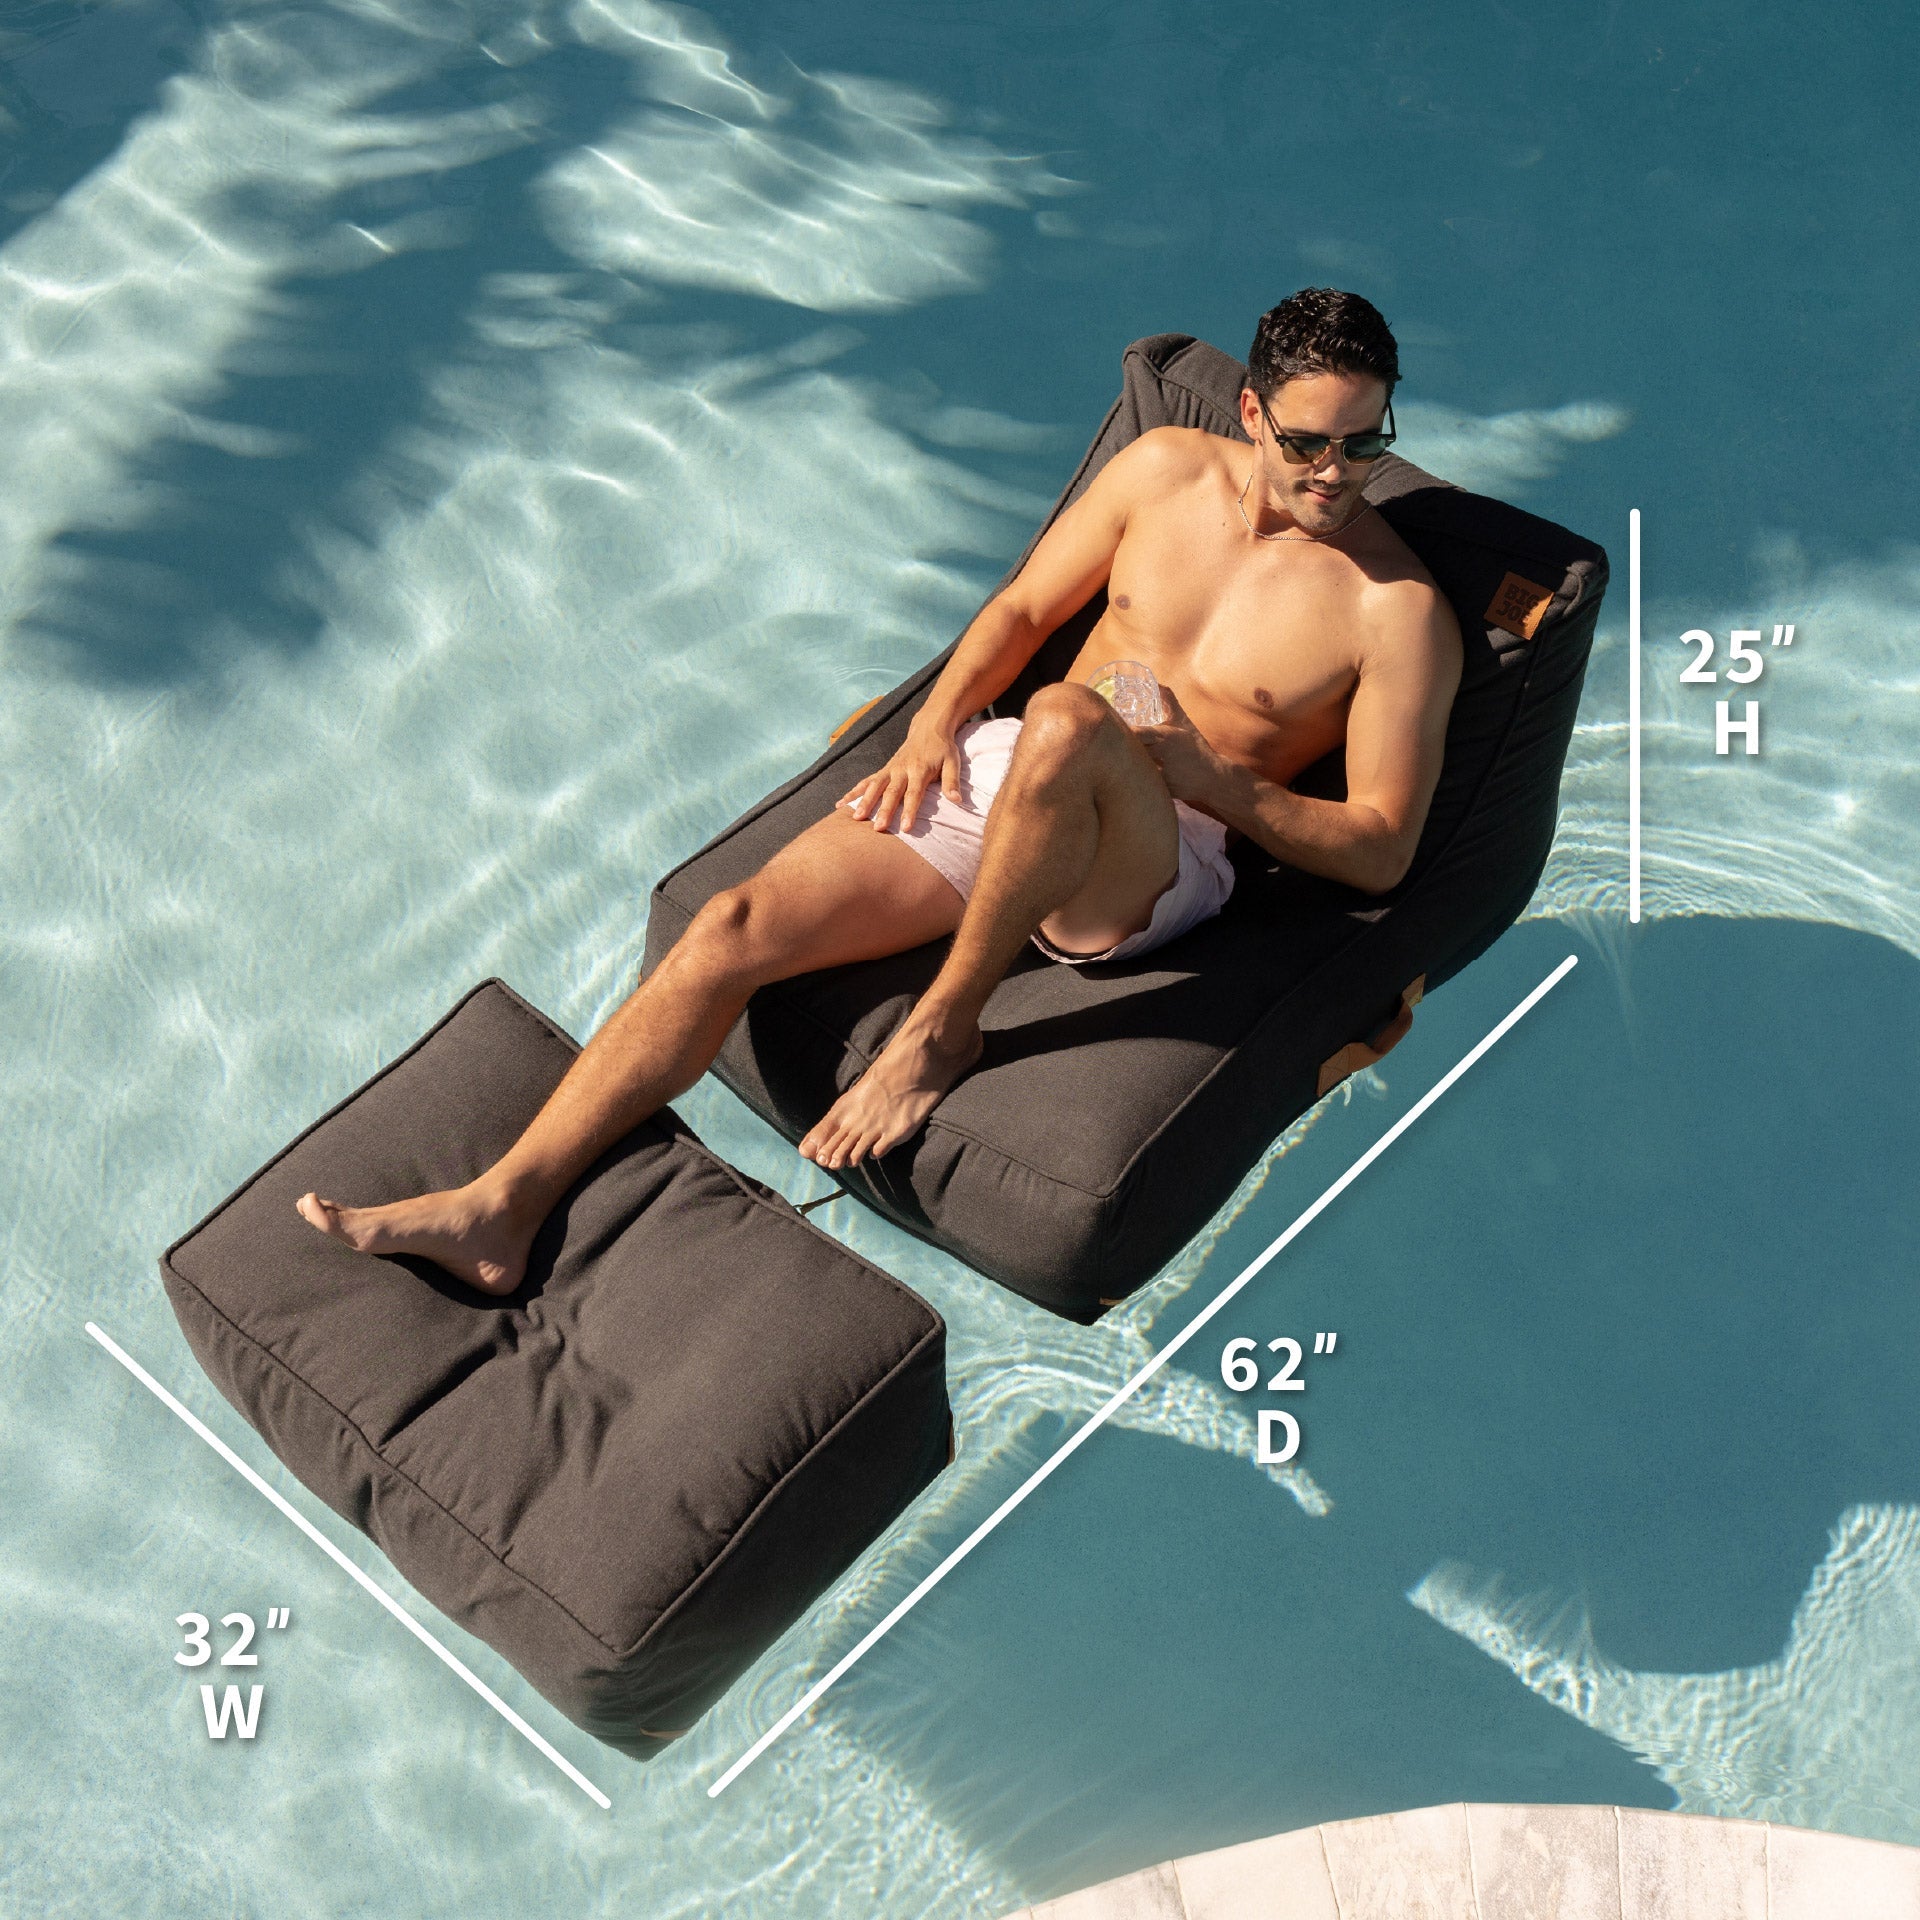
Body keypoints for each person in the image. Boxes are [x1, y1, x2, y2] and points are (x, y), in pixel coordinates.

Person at [295, 288, 1462, 1297]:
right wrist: (934, 728)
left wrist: (1214, 777)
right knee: (731, 928)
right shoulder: (1162, 472)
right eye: (1311, 442)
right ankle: (499, 1206)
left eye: (1367, 444)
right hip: (1024, 769)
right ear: (1252, 412)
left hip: (1164, 856)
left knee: (1064, 715)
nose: (1338, 475)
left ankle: (940, 1031)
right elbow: (1018, 612)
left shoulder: (1395, 611)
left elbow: (1379, 851)